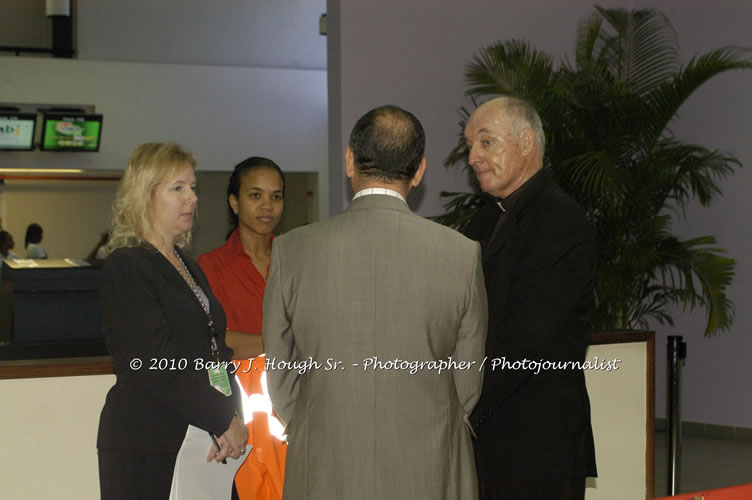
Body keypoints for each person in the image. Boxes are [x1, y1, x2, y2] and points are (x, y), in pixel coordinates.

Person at [263, 105, 488, 499]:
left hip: (325, 463)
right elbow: (467, 383)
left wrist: (318, 423)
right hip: (428, 465)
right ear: (419, 170)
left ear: (350, 161)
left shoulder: (292, 250)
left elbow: (280, 373)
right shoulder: (461, 254)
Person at [462, 96, 597, 500]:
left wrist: (460, 402)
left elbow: (526, 337)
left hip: (539, 450)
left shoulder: (562, 221)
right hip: (485, 447)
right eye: (469, 145)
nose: (473, 157)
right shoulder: (482, 222)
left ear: (526, 142)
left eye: (486, 142)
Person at [97, 142, 249, 499]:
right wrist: (220, 419)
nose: (191, 198)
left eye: (193, 187)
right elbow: (155, 364)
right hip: (148, 444)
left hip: (200, 439)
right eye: (177, 188)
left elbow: (216, 354)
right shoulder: (127, 265)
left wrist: (232, 415)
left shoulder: (187, 265)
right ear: (144, 196)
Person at [197, 157, 288, 500]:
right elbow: (212, 346)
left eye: (276, 196)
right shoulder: (211, 267)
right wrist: (278, 343)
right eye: (255, 195)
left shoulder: (297, 260)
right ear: (234, 202)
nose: (267, 206)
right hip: (239, 419)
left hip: (295, 417)